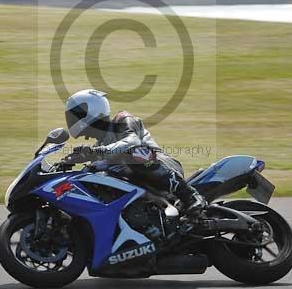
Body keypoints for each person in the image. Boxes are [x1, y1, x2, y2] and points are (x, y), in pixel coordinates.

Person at [64, 88, 206, 215]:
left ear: (90, 111)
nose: (71, 119)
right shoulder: (99, 147)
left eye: (74, 115)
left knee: (133, 153)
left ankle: (190, 195)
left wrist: (96, 152)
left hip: (165, 166)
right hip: (144, 186)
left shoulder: (123, 120)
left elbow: (132, 142)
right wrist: (70, 164)